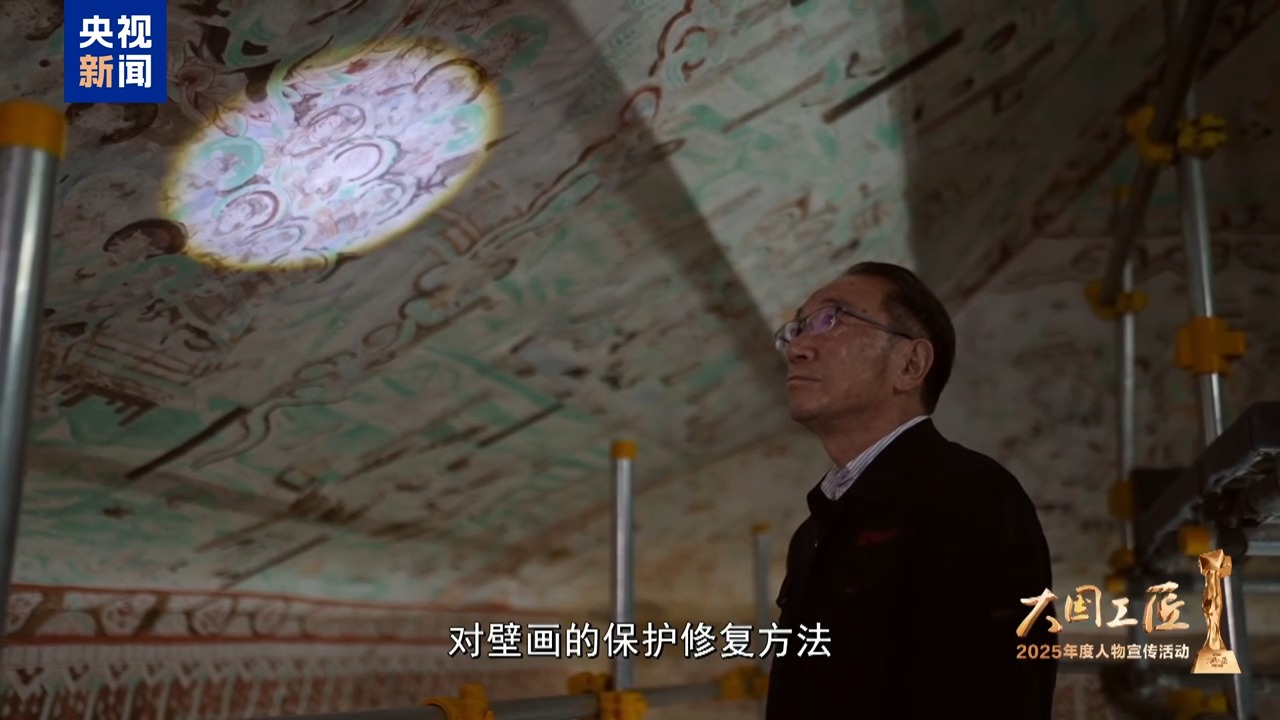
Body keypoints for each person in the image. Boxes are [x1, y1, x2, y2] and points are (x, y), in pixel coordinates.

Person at [764, 261, 1058, 719]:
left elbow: (995, 691)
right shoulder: (813, 533)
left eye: (830, 320)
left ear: (910, 364)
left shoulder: (970, 494)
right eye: (796, 329)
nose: (798, 348)